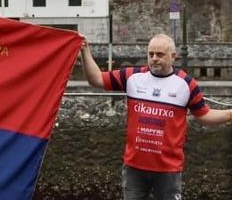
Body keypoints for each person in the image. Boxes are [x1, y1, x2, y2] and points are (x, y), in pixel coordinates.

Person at [81, 33, 232, 199]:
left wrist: (230, 114)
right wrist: (85, 51)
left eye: (160, 54)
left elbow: (204, 115)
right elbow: (96, 79)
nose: (154, 58)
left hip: (168, 169)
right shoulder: (132, 76)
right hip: (134, 167)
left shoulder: (187, 84)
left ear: (173, 57)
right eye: (150, 54)